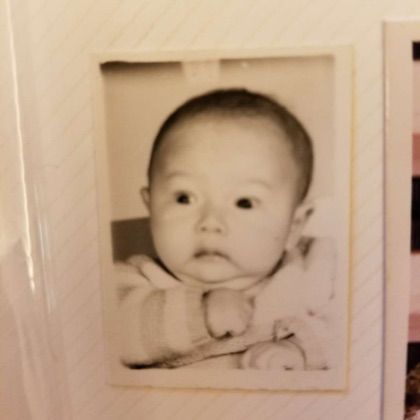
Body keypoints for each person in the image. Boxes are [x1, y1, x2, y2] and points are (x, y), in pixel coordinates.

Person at [116, 88, 335, 369]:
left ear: (294, 226)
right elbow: (113, 336)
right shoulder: (131, 285)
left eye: (244, 202)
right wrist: (200, 313)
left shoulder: (316, 271)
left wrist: (302, 349)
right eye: (185, 198)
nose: (211, 222)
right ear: (150, 209)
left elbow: (357, 331)